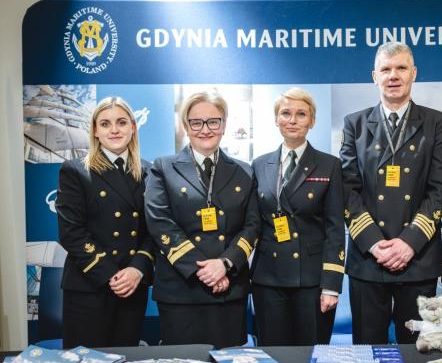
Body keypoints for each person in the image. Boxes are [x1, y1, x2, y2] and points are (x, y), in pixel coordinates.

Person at [340, 41, 442, 344]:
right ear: (374, 76)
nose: (393, 75)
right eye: (386, 69)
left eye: (401, 68)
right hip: (368, 259)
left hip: (418, 259)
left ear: (413, 73)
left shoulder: (436, 122)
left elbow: (440, 188)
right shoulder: (355, 124)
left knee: (419, 351)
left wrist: (408, 243)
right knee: (368, 351)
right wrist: (375, 244)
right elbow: (348, 189)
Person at [145, 90, 259, 349]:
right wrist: (204, 270)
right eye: (196, 122)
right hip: (181, 290)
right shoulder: (163, 168)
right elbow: (160, 222)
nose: (205, 129)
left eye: (213, 121)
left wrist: (224, 264)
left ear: (224, 125)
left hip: (229, 289)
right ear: (186, 126)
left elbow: (252, 226)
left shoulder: (244, 171)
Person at [56, 96, 154, 348]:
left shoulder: (149, 172)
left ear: (133, 127)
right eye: (105, 124)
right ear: (95, 131)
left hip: (132, 286)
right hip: (90, 287)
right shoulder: (76, 170)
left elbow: (153, 230)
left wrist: (137, 269)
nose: (114, 130)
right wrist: (112, 274)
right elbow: (71, 232)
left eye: (121, 122)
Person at [251, 87, 345, 345]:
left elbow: (335, 230)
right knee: (273, 356)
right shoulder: (259, 165)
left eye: (301, 114)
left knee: (311, 356)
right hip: (268, 280)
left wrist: (331, 285)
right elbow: (253, 224)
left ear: (312, 121)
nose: (292, 120)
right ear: (276, 119)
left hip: (312, 281)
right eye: (285, 113)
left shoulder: (329, 165)